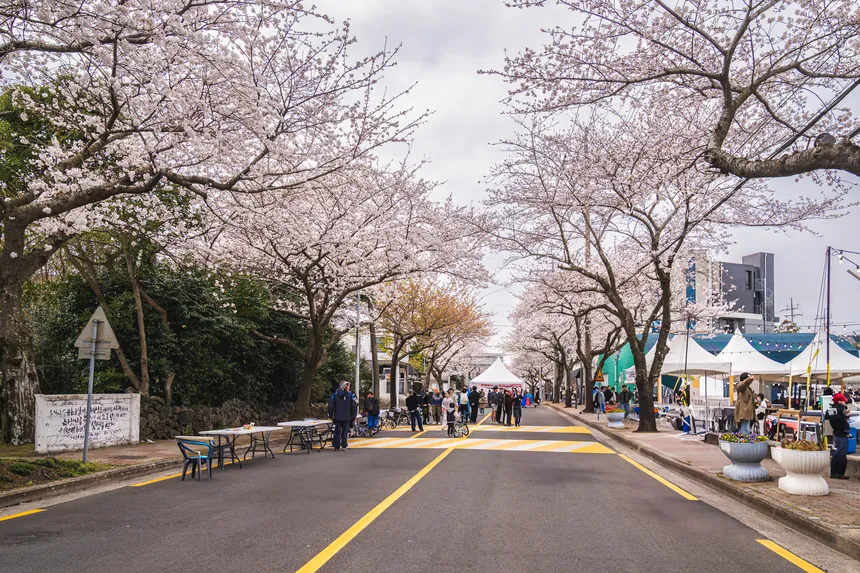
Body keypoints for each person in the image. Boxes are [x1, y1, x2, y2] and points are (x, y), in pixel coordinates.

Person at [828, 392, 853, 479]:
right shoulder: (842, 409)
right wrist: (845, 414)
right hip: (842, 433)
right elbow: (844, 419)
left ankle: (833, 471)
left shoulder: (831, 409)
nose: (844, 402)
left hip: (835, 433)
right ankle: (839, 472)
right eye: (843, 401)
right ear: (840, 401)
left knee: (837, 451)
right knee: (842, 453)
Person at [328, 381, 358, 451]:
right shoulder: (350, 395)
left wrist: (331, 415)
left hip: (337, 416)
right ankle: (344, 445)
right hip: (347, 416)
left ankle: (336, 445)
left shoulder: (334, 394)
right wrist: (353, 416)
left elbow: (331, 405)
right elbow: (354, 406)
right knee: (345, 431)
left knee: (337, 431)